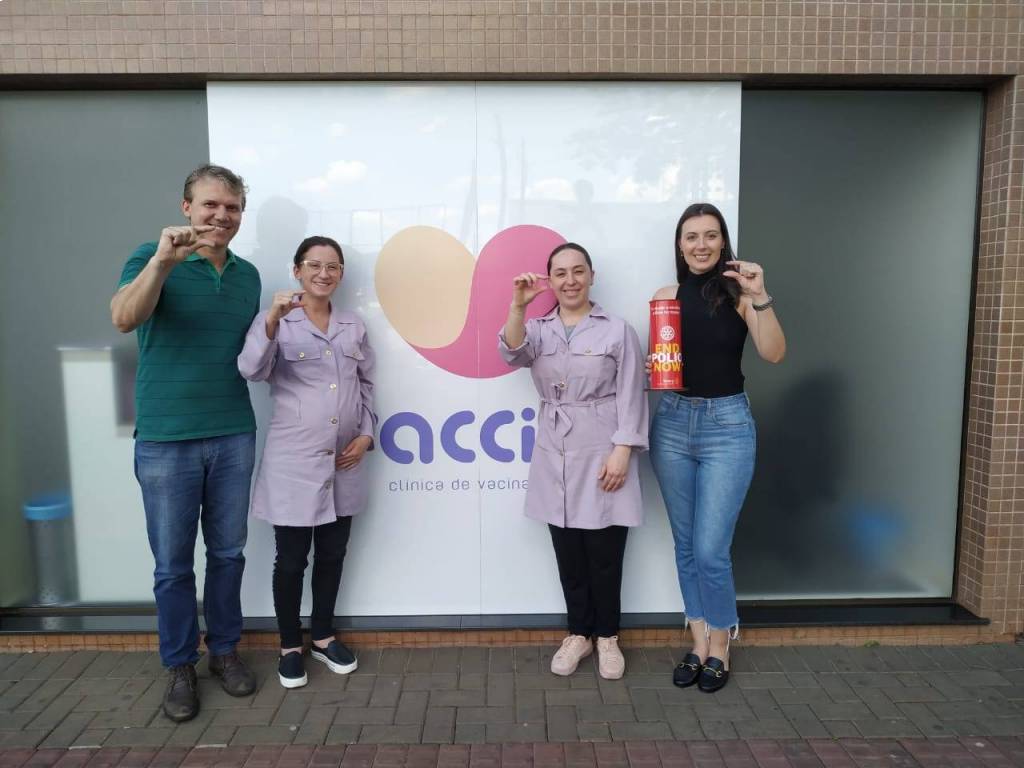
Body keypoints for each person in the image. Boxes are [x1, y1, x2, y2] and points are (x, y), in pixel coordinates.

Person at [110, 165, 261, 722]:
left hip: (233, 433)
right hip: (166, 439)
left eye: (232, 207)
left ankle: (224, 651)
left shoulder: (248, 277)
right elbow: (123, 318)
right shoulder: (150, 258)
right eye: (211, 205)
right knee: (173, 566)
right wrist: (161, 263)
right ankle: (179, 665)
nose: (222, 216)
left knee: (227, 554)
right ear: (186, 207)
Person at [648, 202, 786, 693]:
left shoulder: (740, 294)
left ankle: (722, 644)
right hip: (672, 423)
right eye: (691, 236)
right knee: (686, 545)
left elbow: (774, 353)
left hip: (727, 426)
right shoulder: (665, 297)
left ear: (723, 241)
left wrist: (761, 295)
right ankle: (698, 641)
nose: (701, 245)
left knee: (710, 549)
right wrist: (651, 367)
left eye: (710, 235)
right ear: (680, 245)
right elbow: (665, 360)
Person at [499, 242, 648, 680]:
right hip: (555, 449)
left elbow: (632, 391)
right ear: (550, 280)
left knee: (605, 552)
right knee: (568, 552)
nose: (570, 280)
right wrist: (518, 306)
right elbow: (511, 352)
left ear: (591, 276)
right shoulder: (538, 329)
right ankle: (578, 633)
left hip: (603, 446)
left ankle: (608, 637)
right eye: (560, 273)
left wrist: (623, 449)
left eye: (578, 271)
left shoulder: (616, 330)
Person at [238, 236, 376, 689]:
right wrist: (272, 320)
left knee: (333, 554)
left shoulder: (353, 325)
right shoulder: (276, 320)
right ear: (297, 270)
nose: (324, 273)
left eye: (332, 266)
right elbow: (251, 369)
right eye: (314, 265)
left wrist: (367, 434)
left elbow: (367, 385)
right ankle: (289, 645)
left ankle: (322, 636)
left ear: (341, 274)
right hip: (293, 461)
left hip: (344, 461)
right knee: (292, 559)